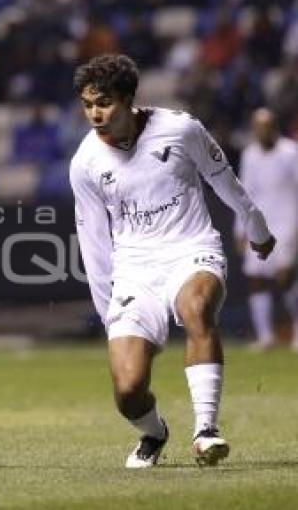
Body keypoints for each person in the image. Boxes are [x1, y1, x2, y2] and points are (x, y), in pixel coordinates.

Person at [69, 54, 275, 469]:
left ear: (128, 99)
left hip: (191, 248)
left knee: (196, 309)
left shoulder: (180, 129)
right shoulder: (85, 163)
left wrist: (256, 228)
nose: (95, 114)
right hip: (135, 270)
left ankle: (206, 431)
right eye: (88, 105)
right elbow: (93, 241)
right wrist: (108, 312)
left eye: (104, 103)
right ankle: (154, 432)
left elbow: (224, 179)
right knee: (128, 389)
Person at [236, 108, 298, 350]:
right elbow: (244, 193)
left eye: (267, 126)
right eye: (258, 127)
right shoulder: (250, 155)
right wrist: (240, 230)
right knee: (256, 279)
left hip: (287, 223)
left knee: (286, 278)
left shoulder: (291, 153)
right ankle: (265, 337)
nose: (263, 131)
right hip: (259, 224)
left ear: (275, 127)